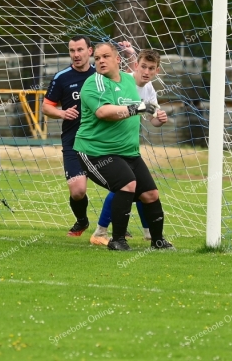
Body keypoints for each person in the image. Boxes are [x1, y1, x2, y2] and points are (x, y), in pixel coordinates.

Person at [42, 36, 150, 242]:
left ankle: (116, 227)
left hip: (105, 144)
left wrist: (130, 55)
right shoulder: (62, 77)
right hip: (74, 142)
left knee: (126, 184)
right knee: (78, 191)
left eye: (80, 50)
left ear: (89, 51)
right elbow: (46, 107)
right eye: (72, 50)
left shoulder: (103, 72)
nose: (76, 55)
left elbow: (128, 81)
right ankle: (82, 220)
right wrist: (62, 113)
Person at [73, 42, 173, 251]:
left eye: (106, 56)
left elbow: (147, 96)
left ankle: (158, 241)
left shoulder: (130, 81)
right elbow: (104, 113)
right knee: (127, 185)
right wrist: (138, 108)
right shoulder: (94, 83)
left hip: (128, 153)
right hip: (96, 152)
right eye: (97, 58)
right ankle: (117, 239)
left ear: (118, 60)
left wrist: (157, 115)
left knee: (151, 194)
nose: (100, 61)